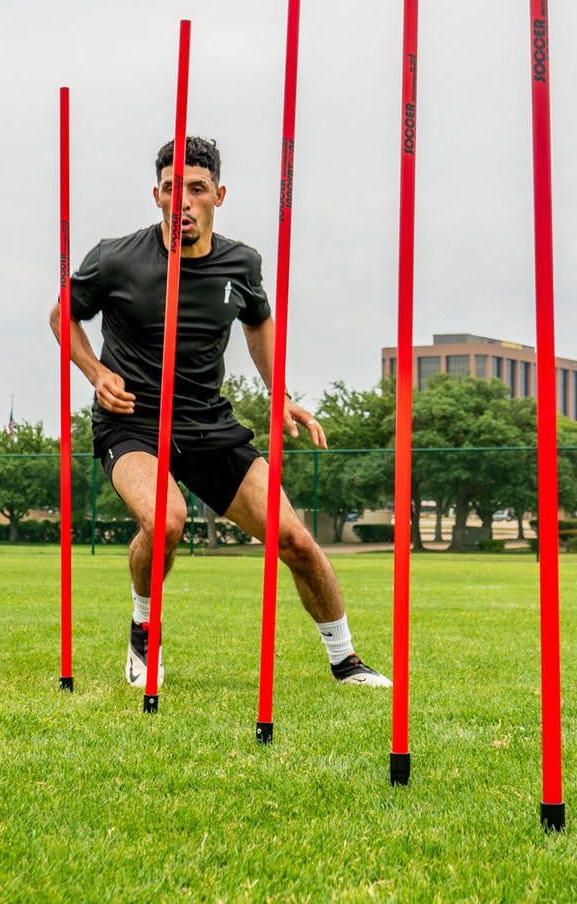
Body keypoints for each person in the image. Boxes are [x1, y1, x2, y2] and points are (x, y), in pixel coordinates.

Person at [49, 135, 389, 689]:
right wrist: (95, 373)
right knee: (164, 522)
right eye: (170, 189)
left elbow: (257, 323)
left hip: (208, 424)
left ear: (219, 195)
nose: (182, 201)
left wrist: (279, 394)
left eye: (196, 189)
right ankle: (143, 628)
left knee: (296, 540)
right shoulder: (115, 258)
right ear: (155, 195)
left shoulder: (241, 262)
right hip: (132, 420)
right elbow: (62, 315)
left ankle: (346, 660)